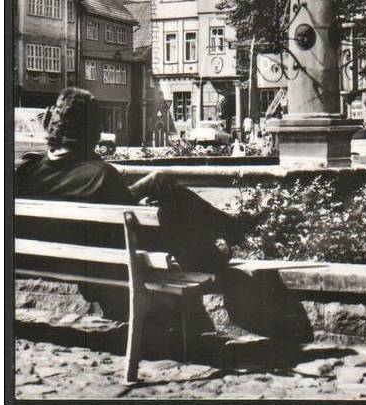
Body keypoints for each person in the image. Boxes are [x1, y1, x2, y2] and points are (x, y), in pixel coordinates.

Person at [15, 87, 264, 272]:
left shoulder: (27, 170)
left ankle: (229, 228)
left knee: (158, 181)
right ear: (90, 129)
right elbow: (134, 224)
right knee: (164, 198)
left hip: (48, 258)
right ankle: (225, 235)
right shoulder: (99, 175)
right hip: (111, 256)